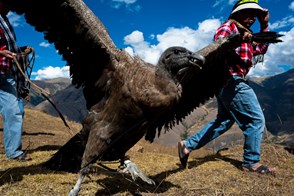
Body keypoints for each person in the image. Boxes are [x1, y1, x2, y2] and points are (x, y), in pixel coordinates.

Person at [178, 0, 275, 174]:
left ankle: (187, 145)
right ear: (237, 13)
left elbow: (261, 49)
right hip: (231, 80)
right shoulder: (229, 27)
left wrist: (264, 24)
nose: (252, 18)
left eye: (255, 14)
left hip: (228, 82)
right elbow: (219, 47)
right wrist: (236, 40)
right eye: (248, 12)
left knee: (224, 121)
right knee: (255, 120)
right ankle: (251, 162)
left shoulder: (248, 35)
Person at [0, 0, 32, 161]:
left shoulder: (4, 21)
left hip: (6, 74)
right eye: (7, 4)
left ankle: (13, 151)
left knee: (14, 111)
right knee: (13, 111)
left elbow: (6, 49)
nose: (9, 8)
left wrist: (20, 50)